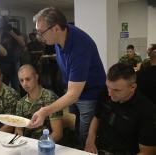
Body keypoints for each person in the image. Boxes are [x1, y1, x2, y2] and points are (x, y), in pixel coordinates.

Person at [29, 7, 106, 149]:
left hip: (89, 93)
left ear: (56, 28)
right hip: (74, 90)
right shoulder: (59, 38)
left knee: (85, 136)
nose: (39, 36)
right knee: (75, 129)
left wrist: (45, 111)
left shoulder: (80, 46)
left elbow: (74, 95)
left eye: (41, 32)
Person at [85, 63, 156, 155]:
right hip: (100, 148)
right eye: (108, 87)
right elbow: (97, 117)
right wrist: (90, 140)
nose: (110, 94)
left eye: (116, 90)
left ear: (132, 87)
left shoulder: (146, 110)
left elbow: (148, 151)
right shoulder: (106, 92)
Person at [15, 64, 63, 142]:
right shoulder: (21, 102)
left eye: (28, 79)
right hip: (28, 144)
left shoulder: (50, 97)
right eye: (21, 80)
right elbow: (18, 129)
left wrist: (41, 146)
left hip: (47, 145)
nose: (24, 84)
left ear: (36, 77)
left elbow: (58, 133)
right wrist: (20, 141)